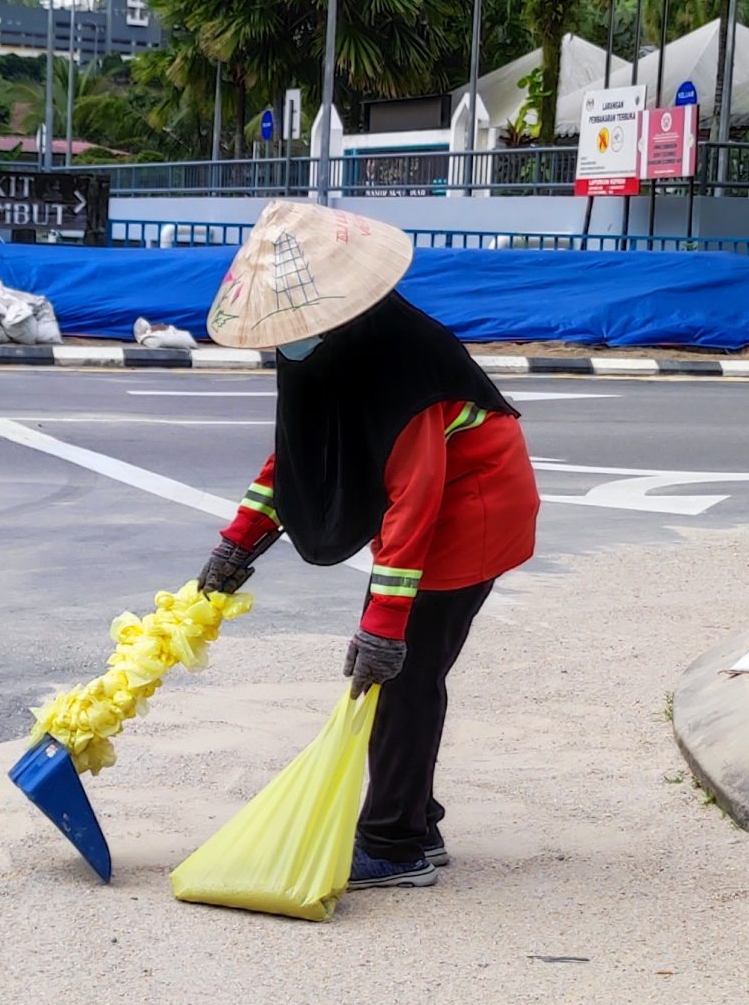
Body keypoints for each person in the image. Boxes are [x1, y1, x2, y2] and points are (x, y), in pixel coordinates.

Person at [194, 202, 540, 891]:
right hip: (438, 502)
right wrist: (237, 545)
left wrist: (382, 624)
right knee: (408, 675)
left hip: (472, 507)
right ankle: (416, 817)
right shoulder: (331, 350)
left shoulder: (400, 363)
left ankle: (395, 842)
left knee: (402, 675)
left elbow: (414, 497)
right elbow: (298, 458)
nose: (284, 344)